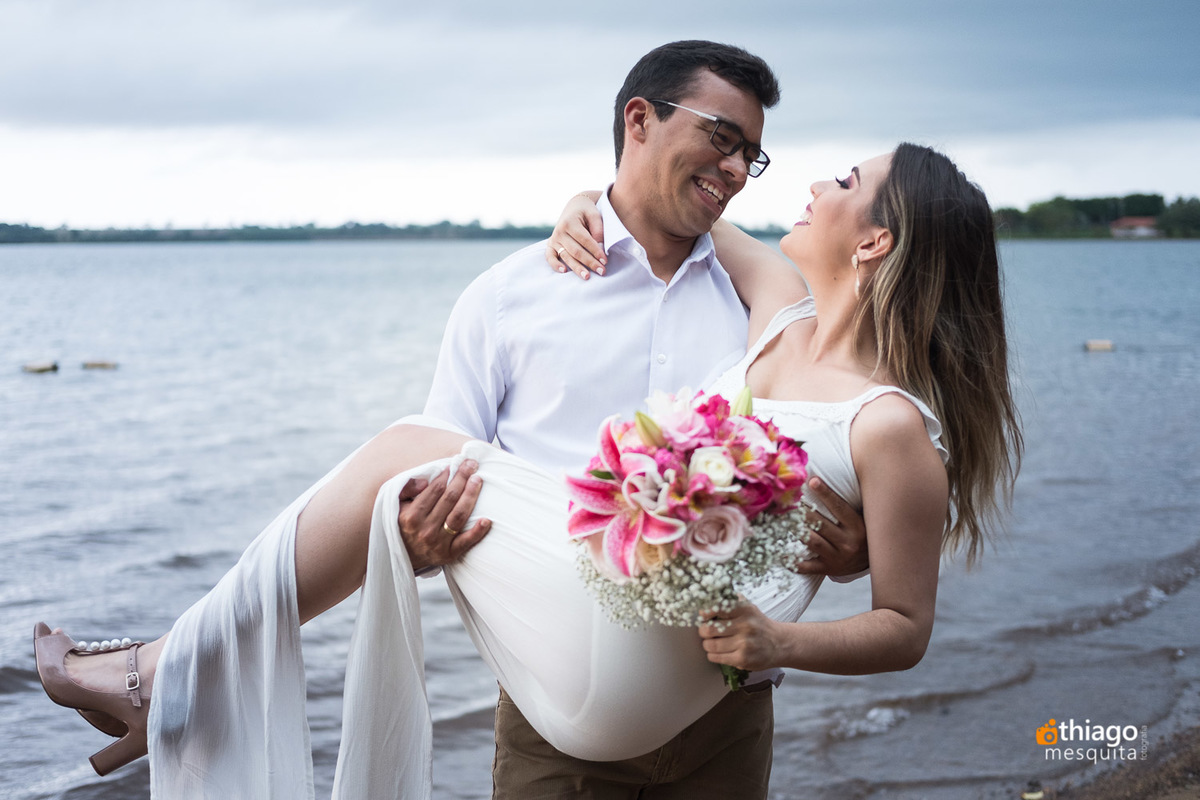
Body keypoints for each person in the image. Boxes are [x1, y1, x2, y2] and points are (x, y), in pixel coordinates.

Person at [32, 45, 1020, 800]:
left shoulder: (782, 323)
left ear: (878, 237)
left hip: (719, 701)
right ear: (639, 119)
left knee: (409, 445)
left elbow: (886, 580)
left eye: (755, 156)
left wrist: (820, 574)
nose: (758, 172)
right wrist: (591, 196)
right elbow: (428, 507)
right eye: (722, 138)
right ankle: (175, 666)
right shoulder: (520, 297)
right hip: (561, 675)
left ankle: (170, 665)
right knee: (422, 457)